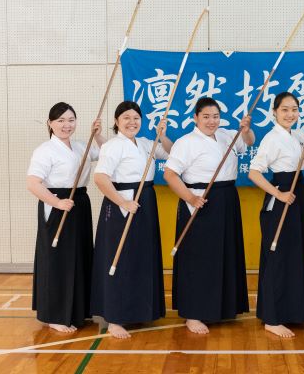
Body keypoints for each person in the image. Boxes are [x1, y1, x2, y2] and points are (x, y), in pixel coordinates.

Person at [164, 97, 255, 334]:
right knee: (198, 258)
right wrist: (191, 198)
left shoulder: (226, 135)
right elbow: (170, 175)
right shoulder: (186, 142)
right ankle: (193, 312)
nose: (211, 121)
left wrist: (246, 130)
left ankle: (223, 307)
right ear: (195, 118)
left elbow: (248, 143)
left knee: (225, 253)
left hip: (227, 198)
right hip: (200, 200)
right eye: (206, 116)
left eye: (215, 116)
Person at [90, 101, 173, 339]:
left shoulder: (146, 143)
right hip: (123, 204)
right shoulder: (113, 146)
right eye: (126, 117)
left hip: (145, 201)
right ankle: (115, 317)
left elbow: (171, 153)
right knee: (120, 259)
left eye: (136, 117)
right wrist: (122, 202)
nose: (132, 122)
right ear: (116, 122)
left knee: (141, 258)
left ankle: (138, 311)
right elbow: (100, 178)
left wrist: (162, 136)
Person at [248, 91, 304, 338]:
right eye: (284, 110)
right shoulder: (272, 139)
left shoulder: (300, 135)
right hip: (282, 196)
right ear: (274, 112)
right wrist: (279, 194)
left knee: (296, 254)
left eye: (294, 109)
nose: (290, 114)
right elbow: (254, 172)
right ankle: (272, 317)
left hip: (298, 195)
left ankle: (293, 311)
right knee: (277, 256)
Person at [26, 102, 104, 333]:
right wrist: (57, 202)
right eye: (60, 120)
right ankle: (55, 314)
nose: (66, 125)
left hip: (79, 203)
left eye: (71, 120)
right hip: (58, 204)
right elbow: (32, 183)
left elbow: (107, 153)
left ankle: (78, 310)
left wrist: (98, 135)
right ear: (50, 123)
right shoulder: (45, 150)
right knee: (57, 260)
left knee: (79, 257)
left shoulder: (82, 146)